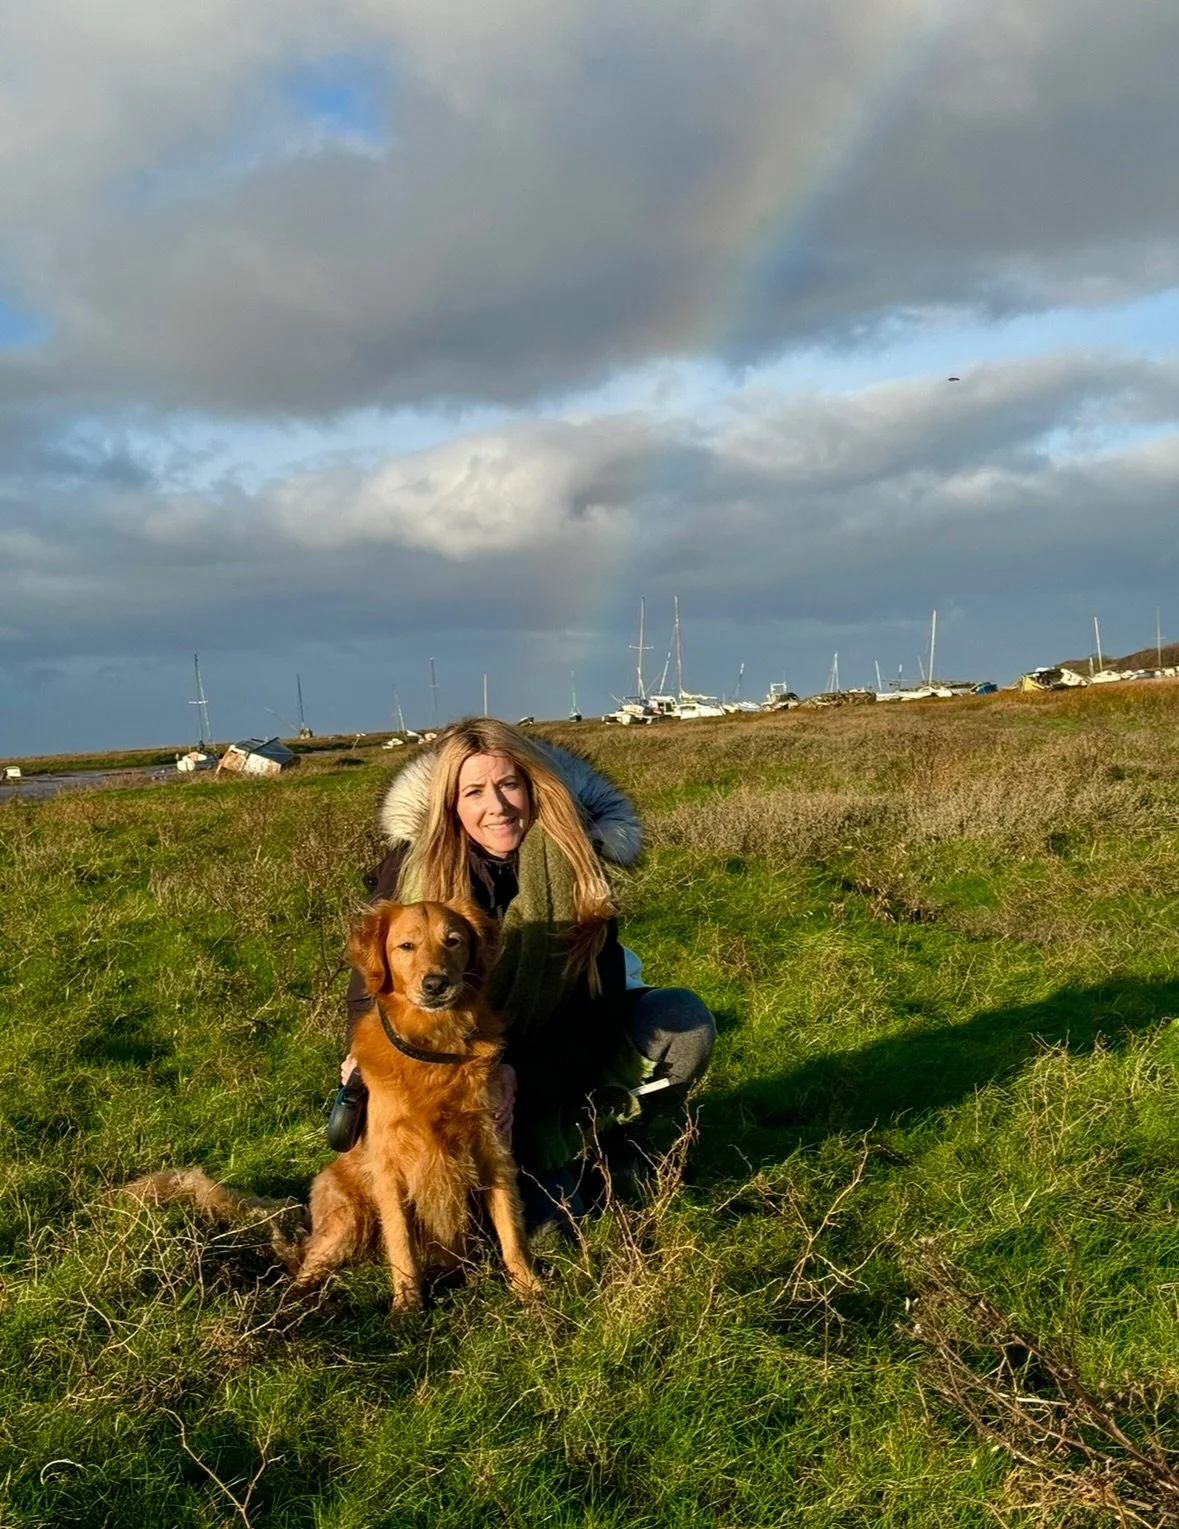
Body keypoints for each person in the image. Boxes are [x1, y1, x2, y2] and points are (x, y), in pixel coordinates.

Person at [338, 717, 715, 1228]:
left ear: (533, 786)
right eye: (473, 791)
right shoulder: (410, 865)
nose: (496, 806)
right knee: (532, 1229)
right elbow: (371, 988)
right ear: (451, 802)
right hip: (447, 1071)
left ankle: (614, 1145)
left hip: (547, 1065)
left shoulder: (580, 862)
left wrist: (521, 1076)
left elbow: (595, 1014)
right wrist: (363, 1052)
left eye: (508, 784)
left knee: (682, 1018)